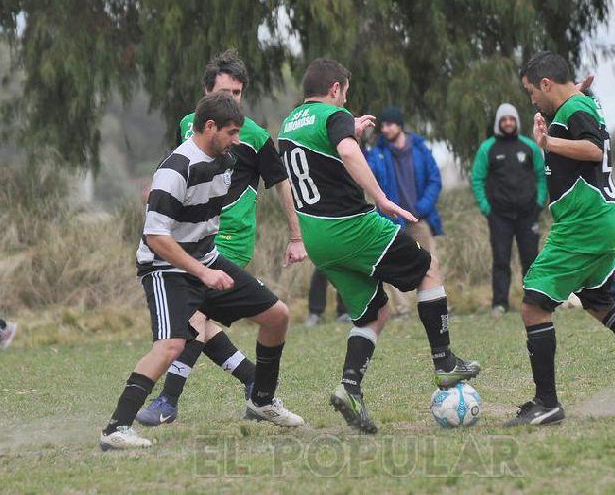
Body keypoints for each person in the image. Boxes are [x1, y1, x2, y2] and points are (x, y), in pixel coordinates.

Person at [277, 58, 481, 434]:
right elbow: (349, 153)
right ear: (336, 89)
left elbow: (314, 161)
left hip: (318, 239)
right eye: (344, 94)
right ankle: (444, 361)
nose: (344, 102)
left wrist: (345, 128)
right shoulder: (333, 115)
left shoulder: (290, 125)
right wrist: (382, 198)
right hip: (352, 225)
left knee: (374, 313)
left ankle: (350, 388)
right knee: (428, 268)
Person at [99, 93, 303, 451]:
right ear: (210, 127)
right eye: (232, 132)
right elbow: (156, 237)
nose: (238, 141)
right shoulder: (175, 169)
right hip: (165, 268)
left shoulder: (225, 162)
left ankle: (262, 399)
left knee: (277, 316)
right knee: (171, 344)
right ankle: (116, 428)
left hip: (205, 260)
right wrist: (203, 273)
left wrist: (210, 265)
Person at [504, 51, 615, 427]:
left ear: (546, 84)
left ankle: (547, 403)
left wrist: (547, 143)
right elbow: (582, 127)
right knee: (599, 303)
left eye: (531, 91)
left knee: (534, 304)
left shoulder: (575, 110)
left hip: (583, 222)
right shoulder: (577, 106)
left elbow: (592, 148)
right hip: (600, 217)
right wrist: (557, 123)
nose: (530, 99)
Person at [135, 49, 308, 428]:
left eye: (238, 93)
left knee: (195, 318)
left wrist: (296, 237)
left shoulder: (256, 136)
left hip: (228, 237)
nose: (233, 100)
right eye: (226, 92)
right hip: (191, 237)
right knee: (201, 320)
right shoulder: (191, 125)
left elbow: (282, 185)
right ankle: (254, 385)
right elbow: (181, 164)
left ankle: (168, 400)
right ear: (207, 95)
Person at [365, 106, 445, 317]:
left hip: (418, 217)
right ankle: (402, 310)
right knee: (391, 265)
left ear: (399, 125)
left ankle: (432, 305)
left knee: (429, 262)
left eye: (389, 124)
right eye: (382, 125)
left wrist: (423, 207)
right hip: (392, 219)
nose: (384, 129)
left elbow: (434, 179)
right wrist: (359, 141)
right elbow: (364, 169)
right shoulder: (378, 153)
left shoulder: (420, 149)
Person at [471, 103, 546, 317]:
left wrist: (539, 202)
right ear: (498, 122)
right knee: (501, 260)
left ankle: (535, 300)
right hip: (499, 216)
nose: (508, 123)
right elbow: (477, 179)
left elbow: (542, 176)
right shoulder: (488, 148)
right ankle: (500, 304)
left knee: (531, 259)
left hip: (527, 214)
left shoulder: (529, 146)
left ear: (516, 121)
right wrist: (486, 207)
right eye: (504, 119)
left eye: (511, 119)